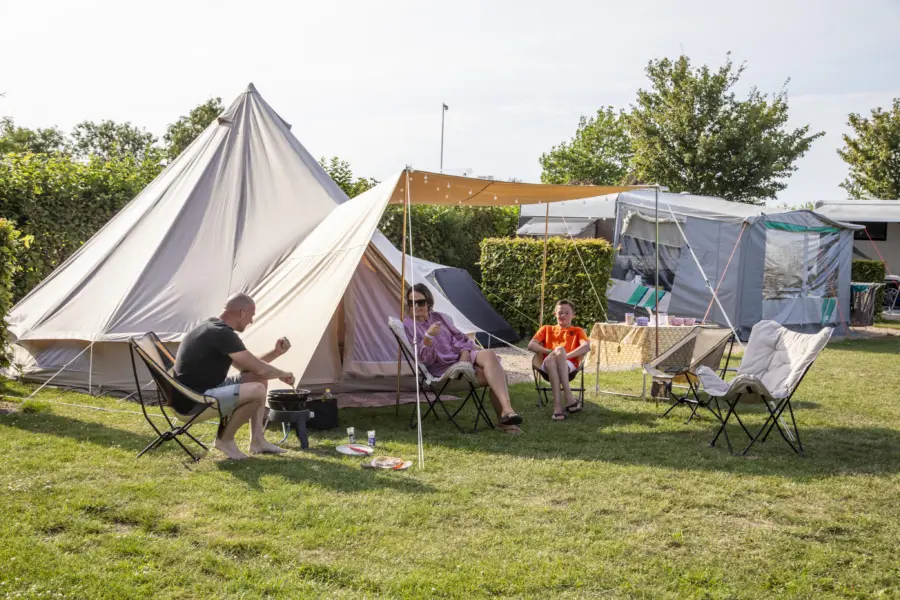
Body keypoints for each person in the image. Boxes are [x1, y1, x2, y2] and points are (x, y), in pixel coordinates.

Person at [174, 293, 296, 460]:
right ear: (242, 313)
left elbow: (250, 367)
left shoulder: (212, 327)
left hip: (189, 394)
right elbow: (259, 368)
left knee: (258, 378)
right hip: (194, 400)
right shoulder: (221, 334)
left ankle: (257, 441)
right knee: (257, 389)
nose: (251, 321)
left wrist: (276, 352)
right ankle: (225, 440)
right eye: (251, 316)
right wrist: (283, 374)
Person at [403, 283, 523, 433]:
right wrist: (428, 337)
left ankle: (507, 410)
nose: (416, 306)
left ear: (428, 302)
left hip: (462, 358)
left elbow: (460, 337)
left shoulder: (439, 317)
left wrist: (465, 352)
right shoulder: (409, 325)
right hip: (444, 370)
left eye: (420, 302)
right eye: (411, 302)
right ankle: (505, 420)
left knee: (490, 354)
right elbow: (425, 360)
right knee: (499, 375)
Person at [528, 299, 591, 421]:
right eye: (560, 313)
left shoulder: (578, 331)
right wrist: (550, 352)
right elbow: (531, 345)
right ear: (554, 314)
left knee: (557, 355)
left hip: (568, 364)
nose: (563, 315)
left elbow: (586, 346)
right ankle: (568, 397)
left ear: (573, 315)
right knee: (556, 353)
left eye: (567, 313)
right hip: (546, 363)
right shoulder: (546, 329)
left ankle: (557, 408)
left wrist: (562, 356)